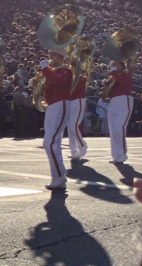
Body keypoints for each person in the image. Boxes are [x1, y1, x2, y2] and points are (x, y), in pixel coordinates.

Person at [39, 50, 72, 190]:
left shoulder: (66, 71)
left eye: (54, 56)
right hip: (53, 105)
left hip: (61, 104)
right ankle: (57, 177)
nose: (51, 58)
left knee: (49, 142)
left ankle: (60, 174)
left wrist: (45, 69)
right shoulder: (53, 71)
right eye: (51, 56)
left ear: (60, 57)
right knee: (53, 143)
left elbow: (55, 81)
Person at [103, 60, 132, 163]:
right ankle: (116, 155)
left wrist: (113, 72)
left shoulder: (126, 74)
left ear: (121, 65)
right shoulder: (111, 77)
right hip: (112, 102)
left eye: (116, 64)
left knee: (119, 129)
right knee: (113, 130)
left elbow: (122, 82)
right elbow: (107, 91)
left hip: (124, 101)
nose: (114, 67)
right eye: (112, 65)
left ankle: (123, 153)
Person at [66, 67, 89, 161]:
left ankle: (82, 145)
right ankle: (74, 151)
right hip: (69, 102)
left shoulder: (81, 78)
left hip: (78, 101)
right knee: (70, 128)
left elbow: (77, 86)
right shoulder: (68, 78)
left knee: (73, 126)